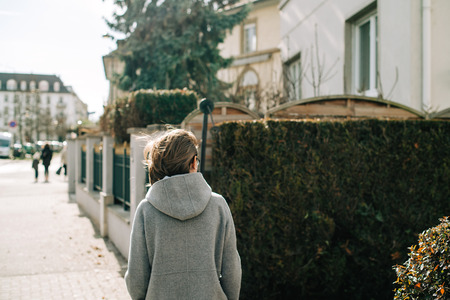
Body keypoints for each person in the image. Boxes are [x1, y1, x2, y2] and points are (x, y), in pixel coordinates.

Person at [125, 129, 242, 300]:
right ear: (194, 162)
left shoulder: (146, 210)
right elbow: (232, 271)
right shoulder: (218, 205)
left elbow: (136, 280)